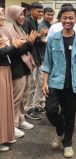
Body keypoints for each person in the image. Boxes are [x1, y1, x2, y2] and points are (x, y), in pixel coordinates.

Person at [42, 6, 76, 158]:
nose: (68, 21)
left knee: (70, 115)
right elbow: (47, 62)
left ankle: (67, 143)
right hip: (55, 82)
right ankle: (60, 130)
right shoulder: (53, 38)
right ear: (60, 19)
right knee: (50, 111)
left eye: (71, 18)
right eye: (65, 18)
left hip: (73, 84)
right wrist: (44, 82)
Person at [3, 6, 37, 138]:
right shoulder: (7, 29)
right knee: (16, 98)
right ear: (13, 15)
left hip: (24, 65)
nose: (23, 17)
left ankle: (21, 119)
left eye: (24, 14)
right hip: (16, 66)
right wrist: (29, 42)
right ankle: (13, 124)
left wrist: (29, 41)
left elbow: (23, 46)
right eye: (20, 15)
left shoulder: (19, 28)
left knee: (24, 95)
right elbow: (15, 51)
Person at [0, 8, 26, 151]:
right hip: (1, 71)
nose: (2, 17)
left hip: (5, 70)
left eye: (3, 14)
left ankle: (4, 137)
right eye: (0, 15)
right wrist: (13, 46)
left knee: (5, 105)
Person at [23, 2, 47, 120]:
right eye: (39, 11)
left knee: (39, 83)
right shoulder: (27, 21)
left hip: (37, 57)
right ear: (31, 10)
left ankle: (35, 106)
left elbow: (35, 39)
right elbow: (28, 39)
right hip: (31, 57)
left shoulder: (35, 21)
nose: (41, 14)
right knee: (31, 85)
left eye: (42, 12)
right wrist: (39, 35)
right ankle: (27, 109)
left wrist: (39, 37)